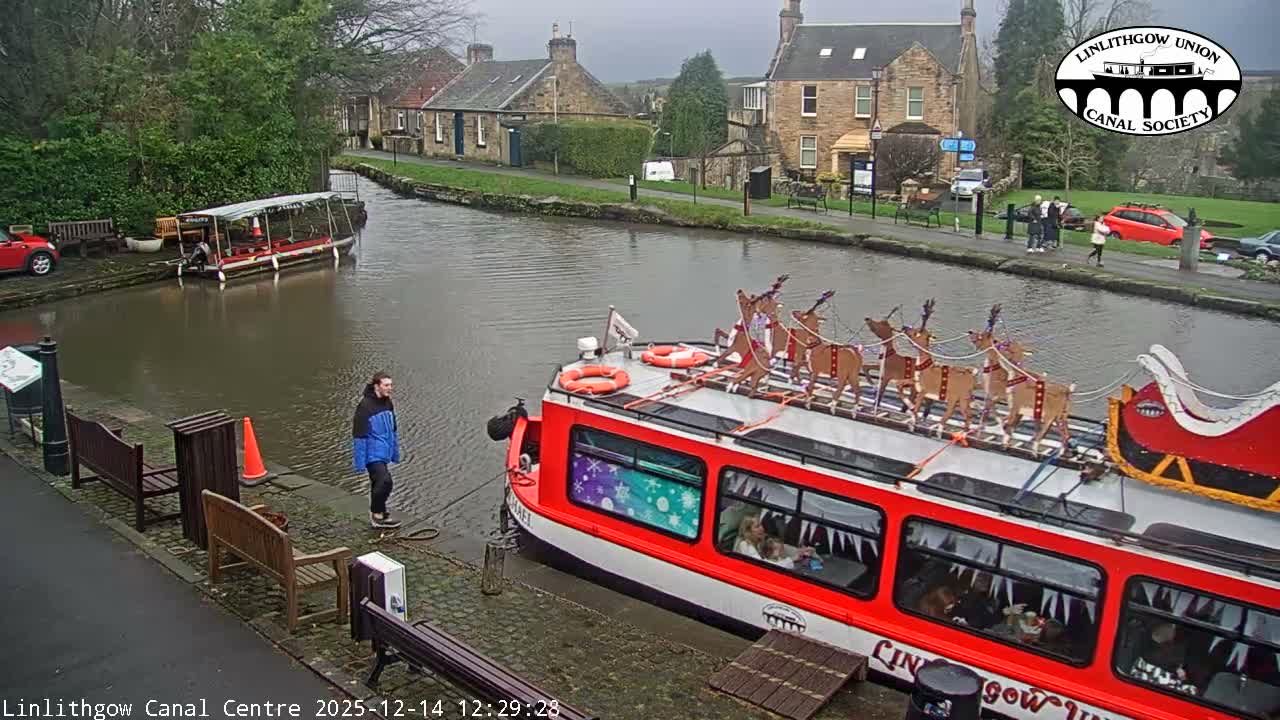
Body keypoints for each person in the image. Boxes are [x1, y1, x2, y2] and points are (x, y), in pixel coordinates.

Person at [353, 371, 402, 528]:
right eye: (386, 385)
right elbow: (359, 435)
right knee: (385, 481)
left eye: (391, 385)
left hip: (384, 453)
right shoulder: (364, 406)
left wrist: (394, 452)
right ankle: (376, 514)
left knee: (378, 483)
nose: (390, 388)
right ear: (377, 386)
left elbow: (393, 430)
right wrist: (360, 462)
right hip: (372, 455)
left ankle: (380, 513)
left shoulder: (388, 402)